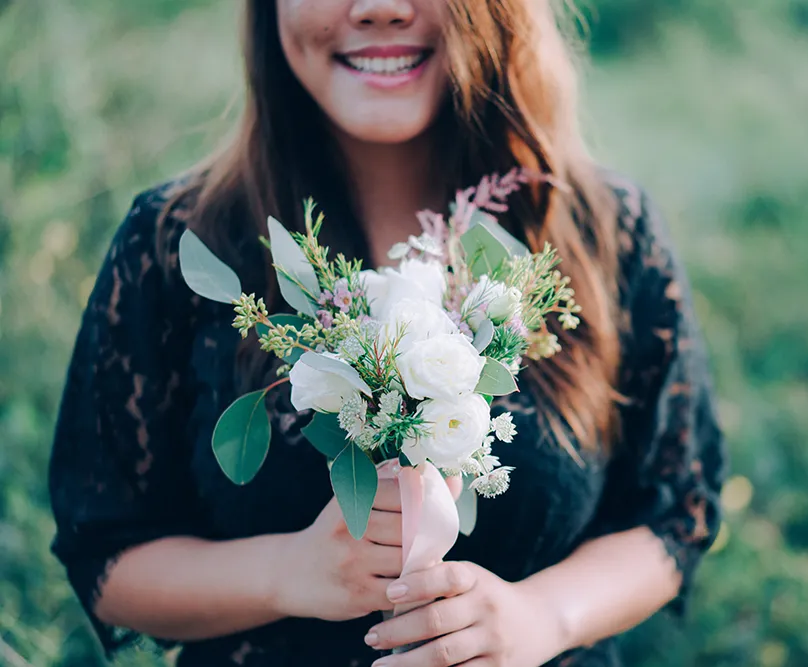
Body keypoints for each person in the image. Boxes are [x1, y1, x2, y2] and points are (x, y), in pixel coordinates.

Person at [48, 1, 726, 665]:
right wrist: (287, 571)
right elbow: (109, 551)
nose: (378, 8)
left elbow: (672, 511)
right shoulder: (176, 244)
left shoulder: (602, 233)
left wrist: (543, 616)